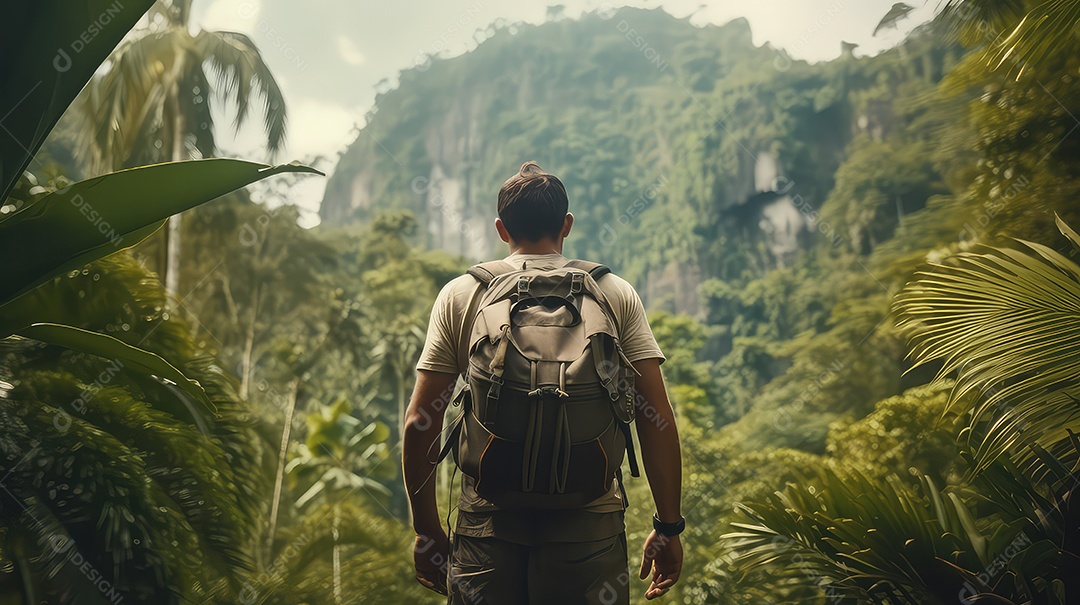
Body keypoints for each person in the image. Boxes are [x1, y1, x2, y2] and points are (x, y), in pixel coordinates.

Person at [402, 161, 683, 604]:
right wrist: (668, 526)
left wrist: (426, 530)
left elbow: (421, 419)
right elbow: (657, 419)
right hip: (590, 528)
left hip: (486, 530)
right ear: (566, 225)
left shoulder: (462, 294)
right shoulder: (614, 293)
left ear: (501, 229)